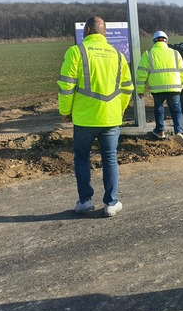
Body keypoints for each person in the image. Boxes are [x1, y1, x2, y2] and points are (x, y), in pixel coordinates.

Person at [57, 16, 134, 217]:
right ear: (104, 33)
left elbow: (66, 87)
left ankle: (85, 202)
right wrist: (119, 110)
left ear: (88, 30)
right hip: (110, 119)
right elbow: (127, 89)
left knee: (81, 158)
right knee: (110, 158)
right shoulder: (117, 55)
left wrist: (65, 112)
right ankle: (111, 203)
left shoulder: (76, 52)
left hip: (84, 120)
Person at [136, 30, 183, 147]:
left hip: (157, 88)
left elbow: (141, 73)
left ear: (154, 41)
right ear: (166, 41)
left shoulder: (148, 53)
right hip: (174, 88)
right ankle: (179, 131)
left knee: (158, 108)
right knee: (176, 110)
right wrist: (180, 86)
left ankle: (160, 131)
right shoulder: (175, 53)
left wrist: (140, 90)